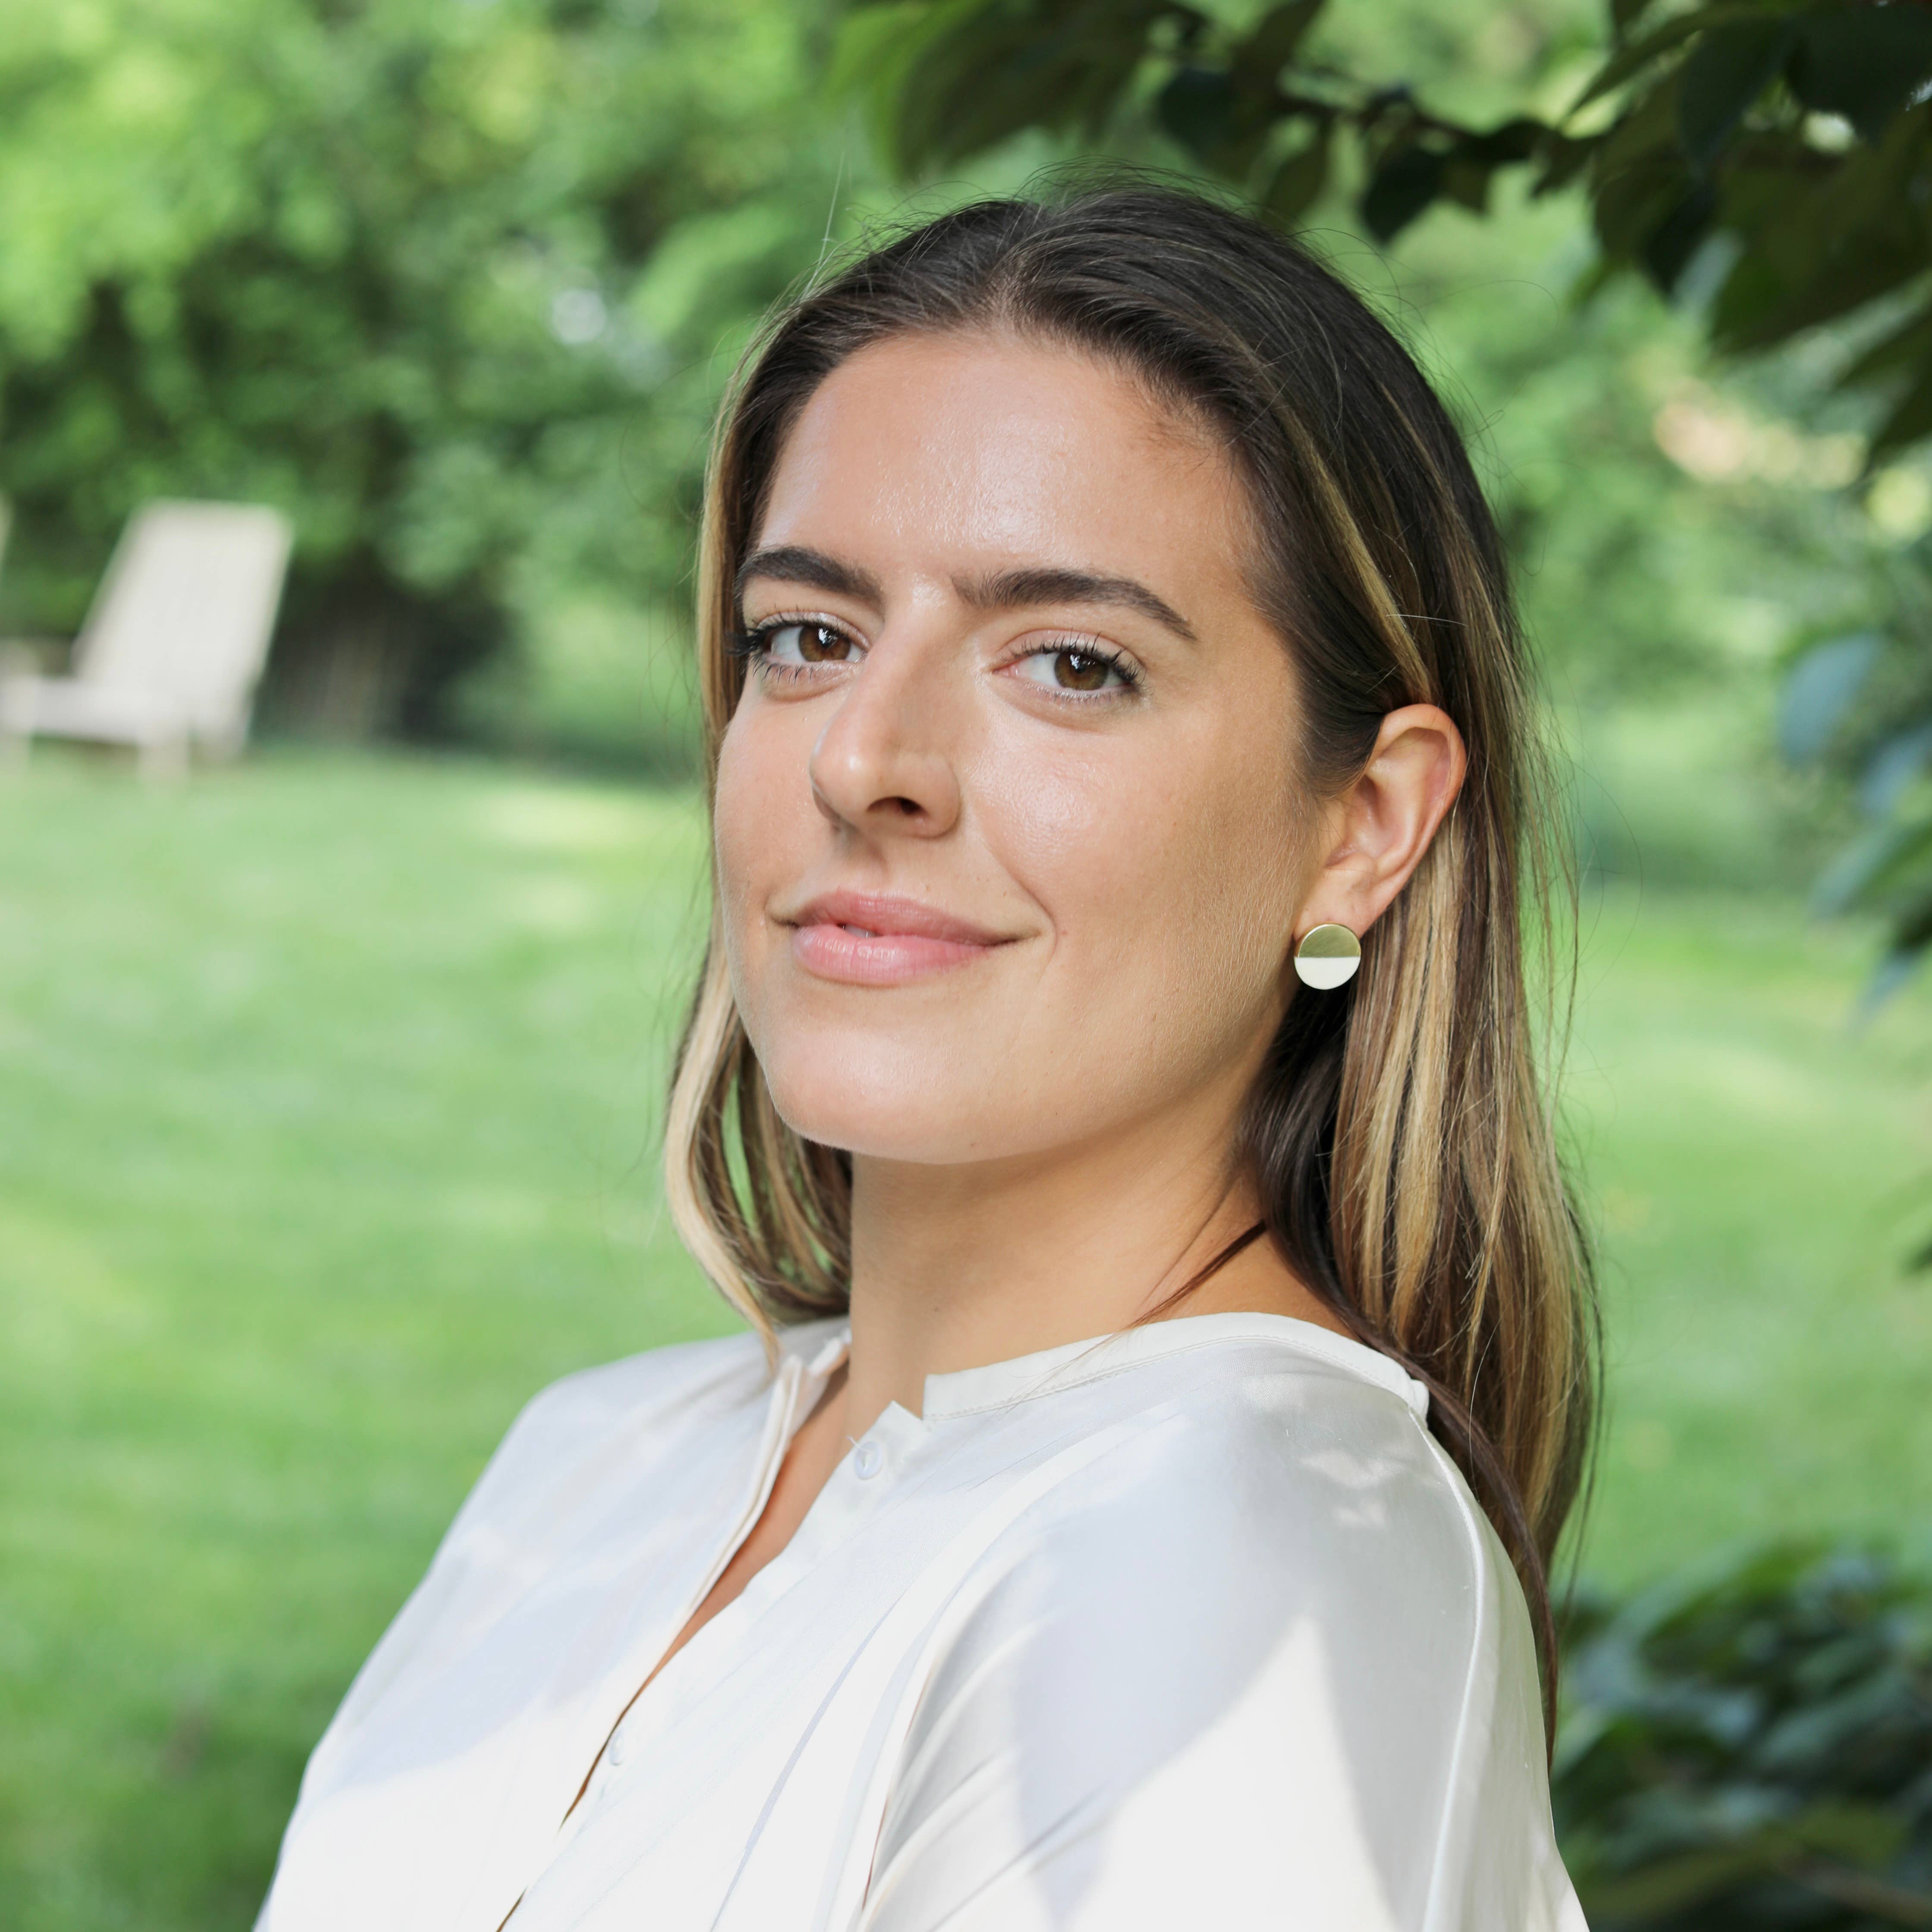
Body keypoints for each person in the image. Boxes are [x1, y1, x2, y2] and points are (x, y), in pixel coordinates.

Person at [257, 185, 1596, 1931]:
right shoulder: (606, 1455)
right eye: (808, 637)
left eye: (1072, 664)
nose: (866, 759)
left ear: (1363, 824)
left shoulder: (1248, 1552)